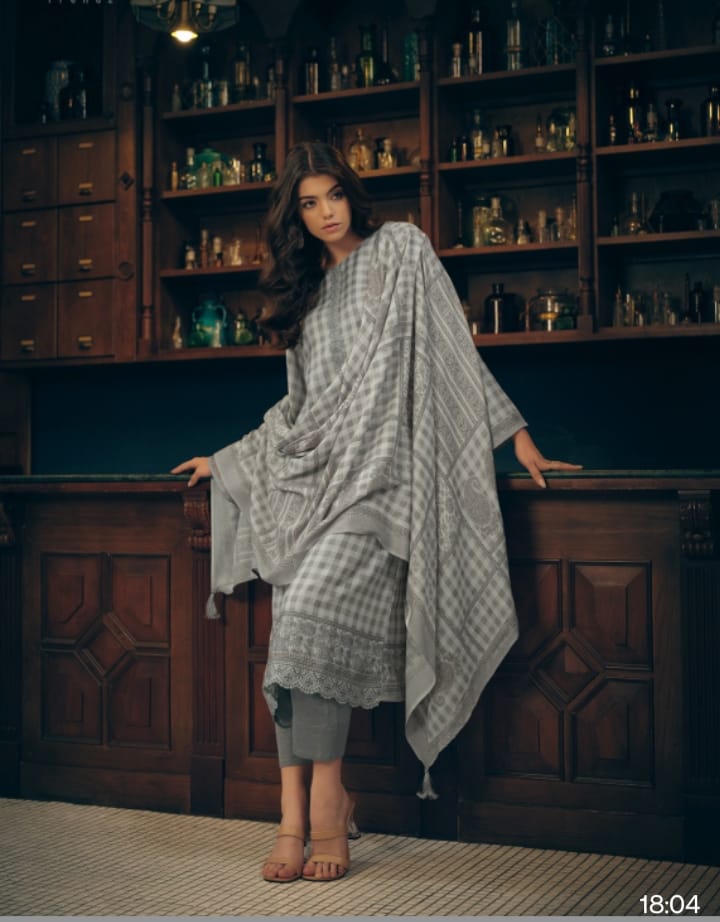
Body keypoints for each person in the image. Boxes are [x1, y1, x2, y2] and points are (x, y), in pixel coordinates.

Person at [172, 141, 581, 884]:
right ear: (295, 216)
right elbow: (296, 411)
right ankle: (291, 816)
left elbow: (456, 354)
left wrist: (518, 439)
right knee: (295, 634)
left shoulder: (400, 251)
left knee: (312, 617)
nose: (326, 213)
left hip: (383, 485)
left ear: (354, 195)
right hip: (314, 485)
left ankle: (328, 801)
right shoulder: (303, 296)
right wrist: (226, 460)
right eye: (309, 203)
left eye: (334, 195)